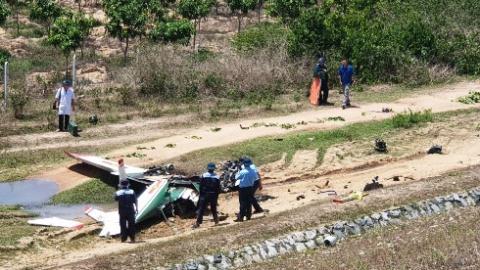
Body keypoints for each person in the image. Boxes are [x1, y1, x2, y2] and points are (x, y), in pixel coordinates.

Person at [192, 163, 220, 229]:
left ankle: (198, 223)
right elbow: (218, 188)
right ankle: (216, 221)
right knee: (213, 209)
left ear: (208, 168)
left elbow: (200, 186)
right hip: (213, 195)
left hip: (205, 195)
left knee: (201, 209)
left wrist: (201, 194)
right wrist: (216, 196)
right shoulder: (217, 177)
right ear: (214, 169)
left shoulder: (204, 175)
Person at [115, 177, 138, 243]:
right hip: (131, 210)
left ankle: (123, 239)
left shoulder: (118, 193)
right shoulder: (132, 191)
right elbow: (135, 201)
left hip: (122, 211)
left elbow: (116, 199)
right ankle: (132, 238)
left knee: (122, 225)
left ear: (120, 185)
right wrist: (137, 208)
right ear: (128, 184)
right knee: (132, 224)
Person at [234, 157, 257, 222]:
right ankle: (248, 216)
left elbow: (236, 177)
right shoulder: (253, 171)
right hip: (250, 188)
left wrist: (239, 171)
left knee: (242, 203)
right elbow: (255, 178)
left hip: (243, 189)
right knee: (249, 203)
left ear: (244, 164)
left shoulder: (242, 172)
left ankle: (241, 217)